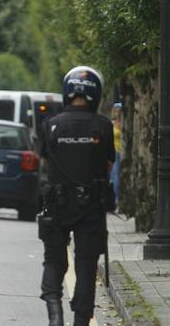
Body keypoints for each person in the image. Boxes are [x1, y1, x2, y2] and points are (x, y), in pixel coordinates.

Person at [38, 66, 115, 326]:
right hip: (91, 206)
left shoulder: (50, 125)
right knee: (86, 265)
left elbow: (46, 163)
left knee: (54, 261)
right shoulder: (103, 126)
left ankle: (55, 317)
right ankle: (81, 321)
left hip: (57, 205)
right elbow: (108, 167)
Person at [110, 102, 122, 211]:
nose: (117, 113)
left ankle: (119, 199)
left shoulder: (125, 123)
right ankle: (115, 199)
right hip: (114, 151)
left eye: (119, 111)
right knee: (114, 177)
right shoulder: (111, 123)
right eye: (115, 110)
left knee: (119, 177)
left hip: (122, 152)